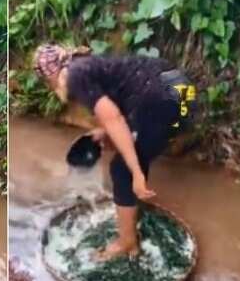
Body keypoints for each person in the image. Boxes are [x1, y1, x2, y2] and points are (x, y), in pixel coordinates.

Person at [34, 44, 194, 261]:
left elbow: (115, 118)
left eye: (47, 83)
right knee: (137, 147)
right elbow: (125, 96)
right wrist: (105, 133)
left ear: (50, 76)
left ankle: (127, 243)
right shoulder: (86, 64)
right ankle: (133, 205)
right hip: (181, 90)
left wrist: (136, 172)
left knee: (121, 169)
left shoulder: (74, 77)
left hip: (164, 101)